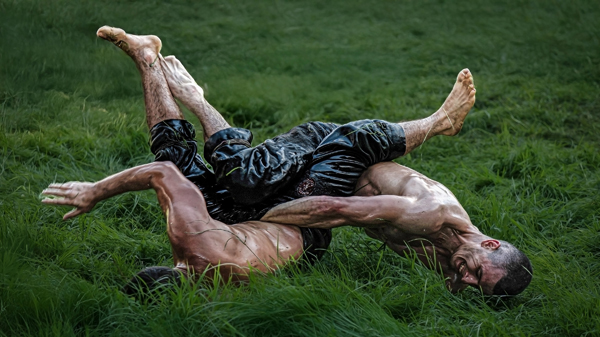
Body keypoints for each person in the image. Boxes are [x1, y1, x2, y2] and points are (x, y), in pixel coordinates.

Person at [41, 27, 531, 296]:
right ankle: (437, 122)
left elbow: (164, 173)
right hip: (326, 162)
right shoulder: (430, 214)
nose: (466, 281)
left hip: (301, 202)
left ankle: (148, 58)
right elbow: (334, 210)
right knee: (253, 178)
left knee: (181, 160)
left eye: (475, 288)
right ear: (489, 245)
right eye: (475, 274)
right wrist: (261, 217)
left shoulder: (451, 261)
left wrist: (459, 284)